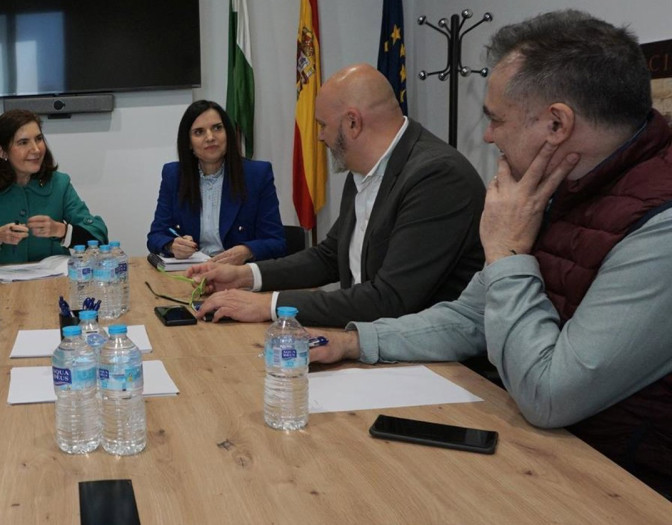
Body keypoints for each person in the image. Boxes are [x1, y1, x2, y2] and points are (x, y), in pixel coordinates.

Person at [310, 10, 672, 495]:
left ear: (557, 123)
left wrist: (505, 253)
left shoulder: (659, 225)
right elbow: (471, 316)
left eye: (496, 119)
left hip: (620, 489)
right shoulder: (554, 189)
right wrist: (355, 342)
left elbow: (550, 394)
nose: (487, 136)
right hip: (543, 456)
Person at [188, 63, 485, 327]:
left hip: (435, 367)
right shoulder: (362, 168)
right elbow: (329, 257)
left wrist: (269, 305)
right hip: (369, 340)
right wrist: (244, 276)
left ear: (353, 123)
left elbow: (390, 300)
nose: (319, 136)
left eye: (322, 126)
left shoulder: (436, 178)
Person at [0, 109, 108, 266]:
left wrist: (62, 231)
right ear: (2, 152)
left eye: (39, 139)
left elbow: (98, 237)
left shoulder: (60, 183)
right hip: (1, 286)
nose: (36, 149)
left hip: (53, 283)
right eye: (23, 142)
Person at [146, 100, 286, 265]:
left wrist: (247, 251)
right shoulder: (174, 176)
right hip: (191, 273)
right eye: (199, 132)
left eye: (217, 128)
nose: (210, 137)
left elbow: (276, 242)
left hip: (238, 273)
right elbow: (155, 236)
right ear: (189, 143)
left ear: (228, 133)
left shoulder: (257, 175)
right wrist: (171, 245)